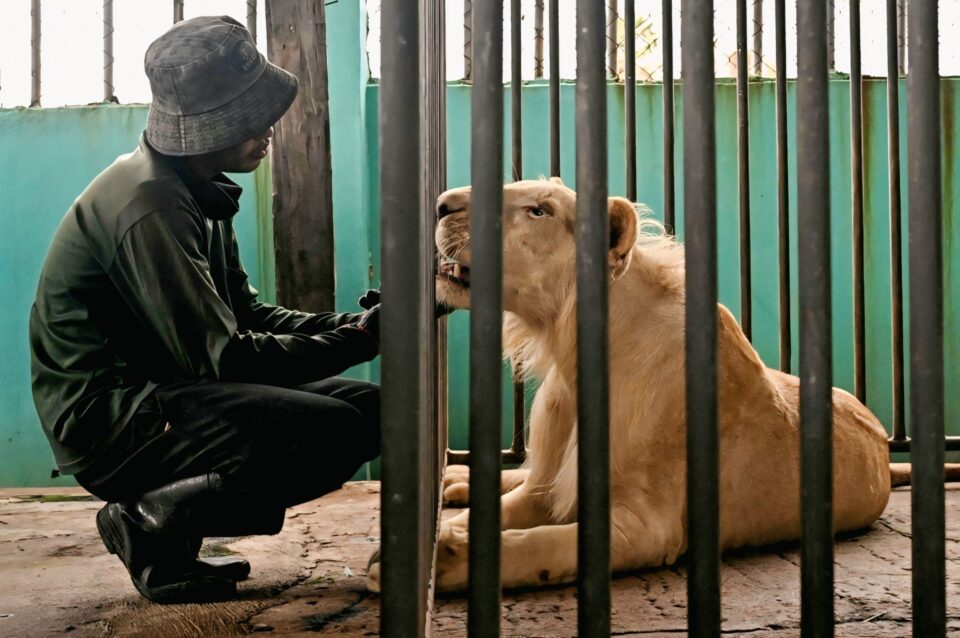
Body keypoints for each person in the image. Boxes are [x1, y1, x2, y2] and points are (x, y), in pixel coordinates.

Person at [29, 16, 383, 604]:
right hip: (111, 421)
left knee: (373, 409)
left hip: (167, 391)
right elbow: (224, 357)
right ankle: (148, 521)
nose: (266, 128)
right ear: (202, 128)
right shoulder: (150, 204)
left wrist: (358, 326)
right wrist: (361, 342)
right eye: (247, 117)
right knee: (332, 429)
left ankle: (167, 525)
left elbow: (246, 315)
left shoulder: (195, 189)